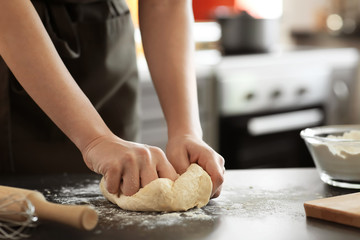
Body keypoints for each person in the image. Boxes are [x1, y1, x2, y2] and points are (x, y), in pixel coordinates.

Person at [0, 0, 224, 198]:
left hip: (106, 38)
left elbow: (165, 4)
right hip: (17, 44)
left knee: (127, 181)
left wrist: (185, 131)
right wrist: (95, 140)